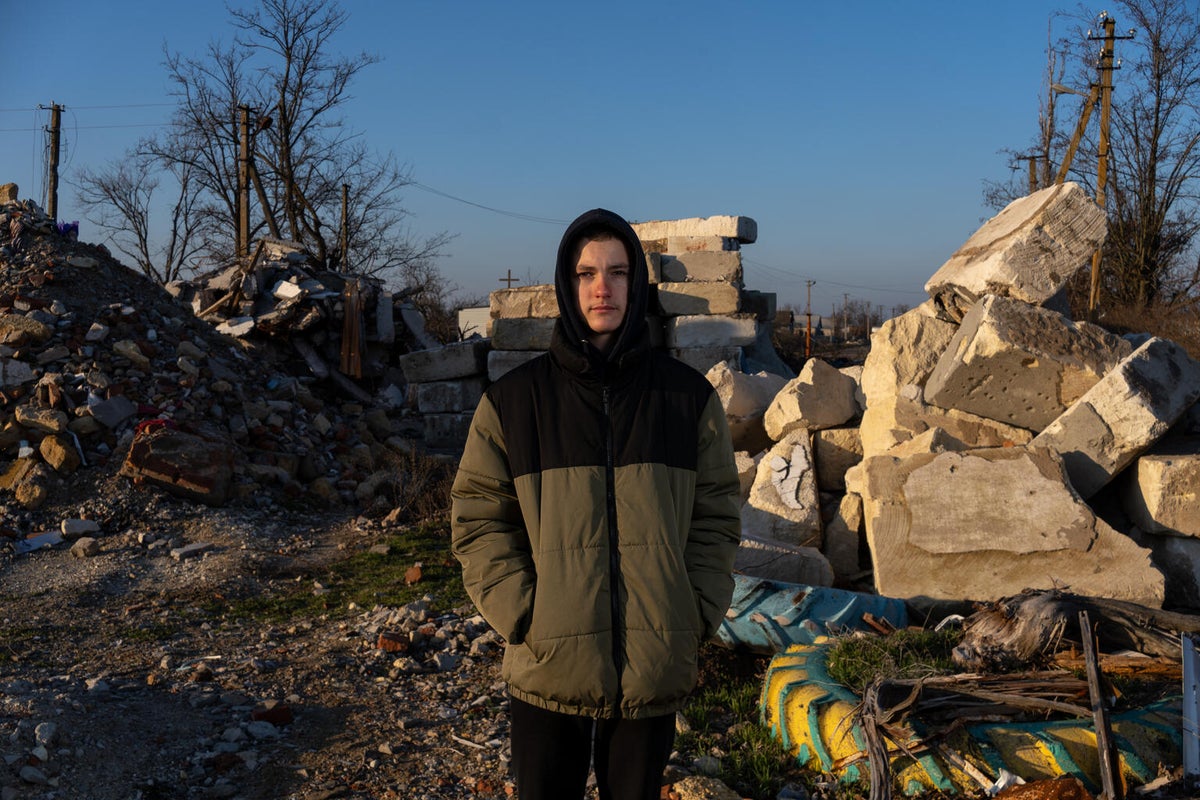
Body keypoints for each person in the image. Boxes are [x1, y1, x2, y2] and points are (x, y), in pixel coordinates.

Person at [450, 208, 742, 800]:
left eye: (617, 272)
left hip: (652, 661)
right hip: (546, 664)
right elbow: (479, 517)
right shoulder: (514, 402)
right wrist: (525, 615)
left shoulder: (686, 399)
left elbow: (716, 514)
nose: (601, 288)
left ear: (638, 284)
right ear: (568, 283)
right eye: (586, 273)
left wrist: (694, 610)